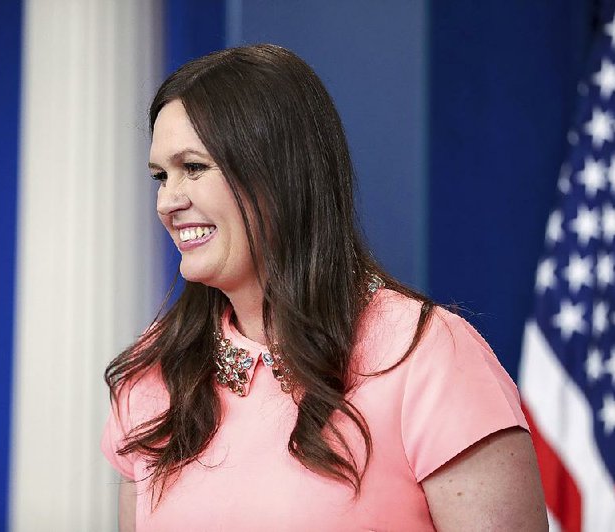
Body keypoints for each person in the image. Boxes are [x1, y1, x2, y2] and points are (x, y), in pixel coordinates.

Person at [101, 44, 547, 531]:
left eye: (194, 168)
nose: (168, 201)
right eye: (160, 176)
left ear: (278, 173)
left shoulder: (428, 353)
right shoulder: (153, 371)